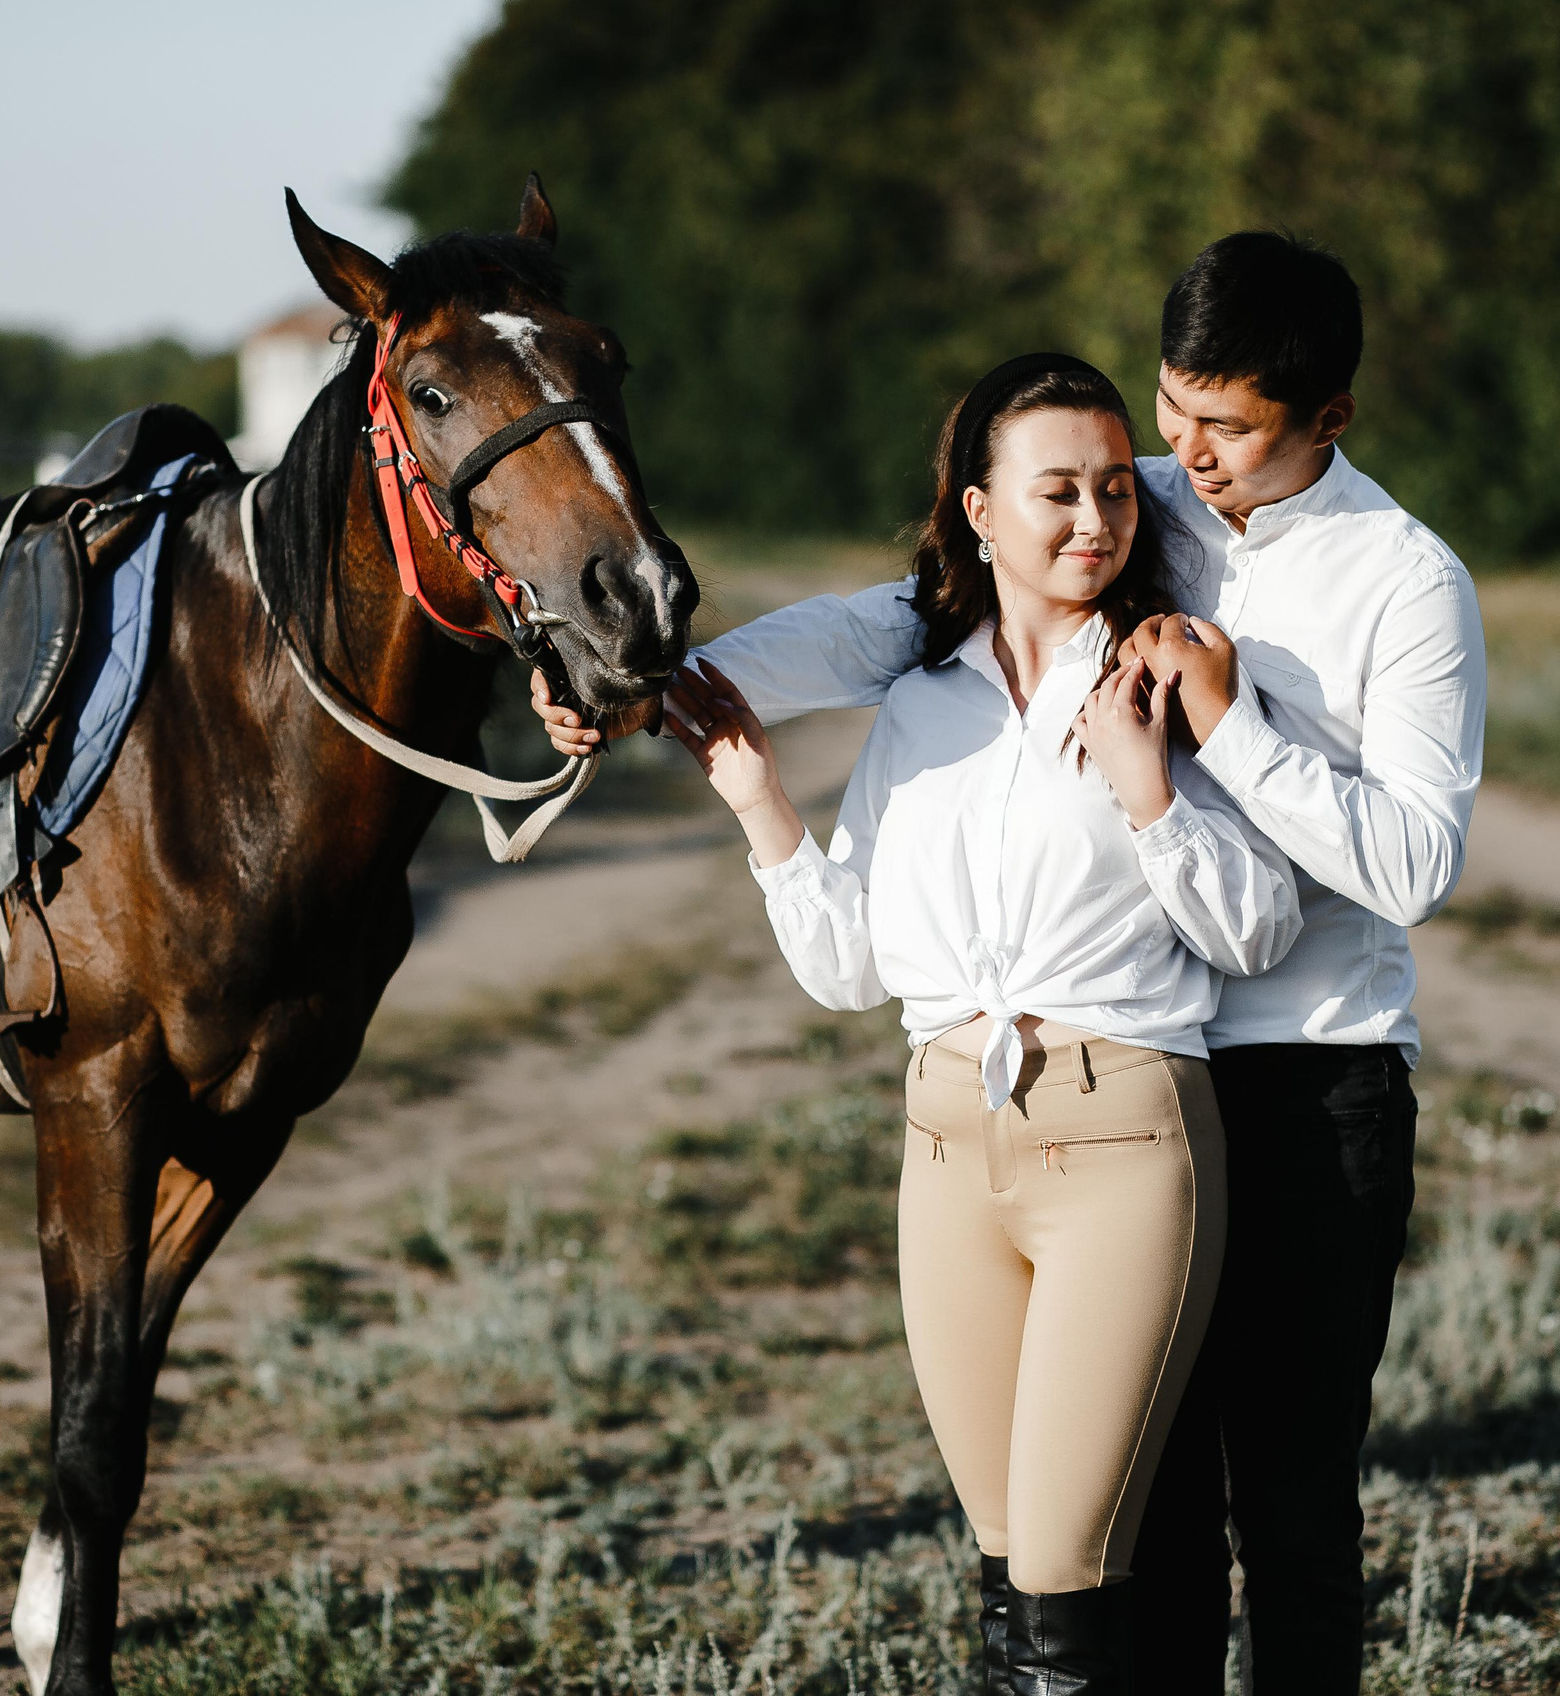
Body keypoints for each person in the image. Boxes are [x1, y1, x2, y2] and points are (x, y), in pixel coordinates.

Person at [539, 234, 1487, 1692]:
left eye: (1227, 427)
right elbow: (889, 624)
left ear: (1329, 417)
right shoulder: (1126, 501)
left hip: (1309, 1077)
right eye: (1173, 407)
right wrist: (653, 688)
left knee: (1292, 1508)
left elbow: (1416, 868)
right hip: (1135, 1070)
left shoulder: (1405, 581)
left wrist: (1227, 727)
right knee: (1142, 1521)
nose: (1183, 455)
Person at [660, 353, 1301, 1693]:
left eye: (1116, 489)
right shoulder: (920, 708)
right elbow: (852, 970)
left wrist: (1147, 789)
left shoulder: (1162, 675)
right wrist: (760, 802)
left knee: (1066, 1585)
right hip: (946, 1158)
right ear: (978, 513)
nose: (1095, 520)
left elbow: (1257, 931)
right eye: (1057, 491)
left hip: (1120, 1144)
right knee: (1010, 1582)